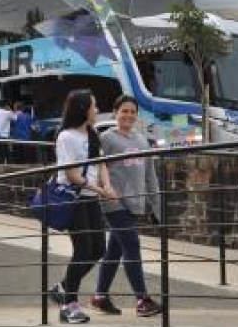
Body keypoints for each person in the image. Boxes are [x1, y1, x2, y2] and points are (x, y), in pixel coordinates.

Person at [92, 95, 163, 317]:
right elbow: (96, 168)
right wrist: (103, 190)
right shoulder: (105, 139)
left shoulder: (142, 140)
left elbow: (150, 175)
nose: (128, 115)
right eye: (124, 111)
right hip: (114, 204)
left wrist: (156, 205)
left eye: (132, 111)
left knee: (114, 251)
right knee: (132, 247)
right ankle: (142, 300)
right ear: (115, 113)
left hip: (135, 204)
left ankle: (100, 296)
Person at [49, 89, 117, 324]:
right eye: (94, 106)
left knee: (98, 248)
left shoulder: (92, 133)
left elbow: (101, 164)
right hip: (74, 198)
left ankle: (63, 287)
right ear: (82, 109)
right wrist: (102, 190)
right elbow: (72, 175)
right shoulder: (66, 137)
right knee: (82, 249)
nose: (96, 110)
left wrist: (106, 186)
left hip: (90, 198)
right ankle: (69, 304)